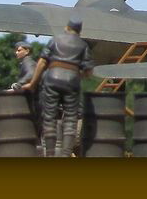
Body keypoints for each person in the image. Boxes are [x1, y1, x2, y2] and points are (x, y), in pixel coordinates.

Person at [22, 16, 94, 157]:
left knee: (49, 118)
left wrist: (33, 83)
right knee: (71, 120)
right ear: (79, 31)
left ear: (67, 28)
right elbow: (88, 71)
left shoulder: (55, 40)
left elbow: (42, 63)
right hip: (72, 82)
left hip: (52, 79)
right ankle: (66, 154)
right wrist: (75, 75)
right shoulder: (83, 45)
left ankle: (50, 154)